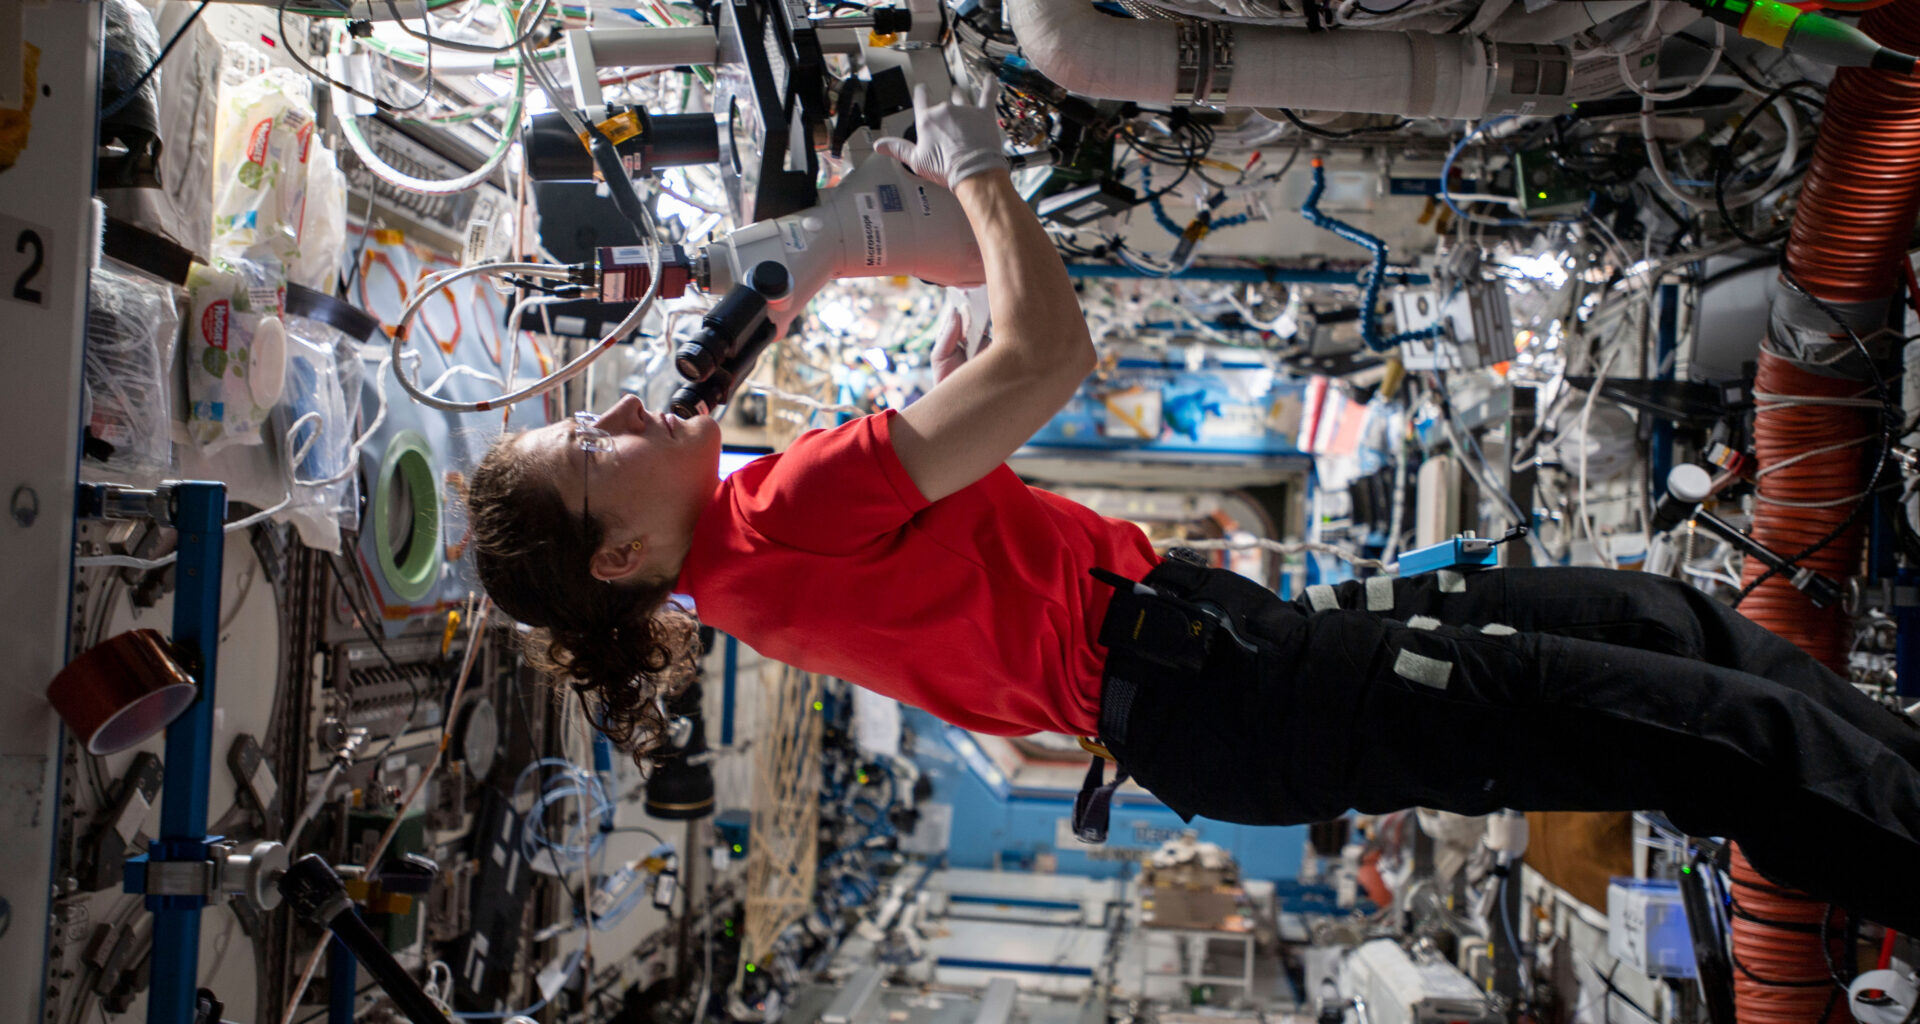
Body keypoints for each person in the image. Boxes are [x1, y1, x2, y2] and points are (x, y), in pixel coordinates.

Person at [466, 80, 1920, 934]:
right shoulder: (768, 516)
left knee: (1662, 625)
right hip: (1232, 688)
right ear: (622, 551)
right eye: (591, 448)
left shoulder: (745, 557)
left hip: (1229, 666)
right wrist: (974, 164)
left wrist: (886, 266)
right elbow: (1051, 356)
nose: (615, 410)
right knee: (1706, 734)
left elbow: (970, 399)